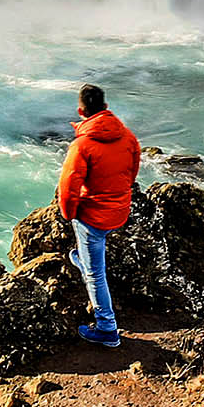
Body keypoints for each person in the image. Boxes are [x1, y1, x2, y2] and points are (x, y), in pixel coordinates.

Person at [58, 84, 140, 348]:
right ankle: (82, 258)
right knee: (94, 253)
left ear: (81, 111)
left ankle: (107, 328)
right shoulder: (127, 136)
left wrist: (70, 215)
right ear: (105, 108)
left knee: (95, 274)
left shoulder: (82, 145)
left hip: (93, 218)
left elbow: (69, 188)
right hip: (120, 211)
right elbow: (133, 171)